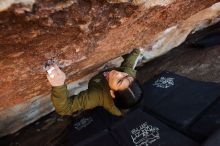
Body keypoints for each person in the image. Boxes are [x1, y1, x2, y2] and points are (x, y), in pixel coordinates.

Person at [46, 48, 142, 117]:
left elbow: (65, 109)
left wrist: (58, 85)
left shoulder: (97, 96)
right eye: (126, 76)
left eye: (119, 81)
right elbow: (130, 62)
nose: (119, 73)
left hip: (116, 108)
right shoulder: (128, 76)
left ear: (112, 93)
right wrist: (135, 49)